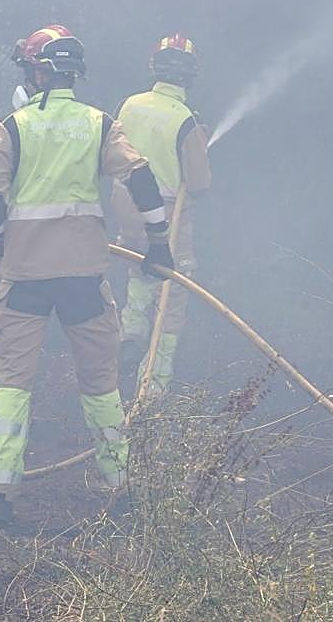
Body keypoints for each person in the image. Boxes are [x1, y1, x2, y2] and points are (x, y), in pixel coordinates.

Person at [0, 24, 174, 531]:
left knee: (13, 387)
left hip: (24, 279)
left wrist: (1, 234)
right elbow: (142, 178)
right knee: (101, 385)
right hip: (84, 278)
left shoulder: (12, 127)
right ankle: (120, 489)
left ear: (38, 71)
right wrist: (159, 243)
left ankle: (0, 495)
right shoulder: (98, 124)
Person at [113, 34, 212, 396]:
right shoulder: (186, 119)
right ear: (190, 75)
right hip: (169, 214)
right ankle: (153, 385)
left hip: (126, 207)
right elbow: (198, 182)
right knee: (174, 286)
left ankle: (130, 333)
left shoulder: (129, 105)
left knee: (140, 266)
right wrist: (200, 144)